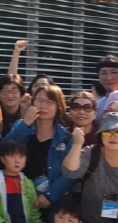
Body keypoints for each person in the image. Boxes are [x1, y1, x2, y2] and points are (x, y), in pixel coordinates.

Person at [6, 83, 75, 216]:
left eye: (49, 102)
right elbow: (5, 148)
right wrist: (25, 123)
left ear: (58, 106)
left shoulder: (66, 138)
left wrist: (49, 196)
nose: (43, 106)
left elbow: (70, 174)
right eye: (39, 100)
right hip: (21, 196)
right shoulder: (22, 126)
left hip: (54, 203)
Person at [0, 138, 42, 223]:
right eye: (12, 156)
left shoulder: (27, 182)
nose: (17, 161)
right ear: (3, 159)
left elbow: (34, 210)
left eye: (21, 157)